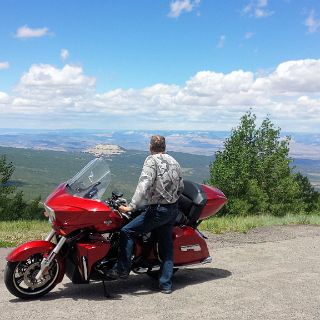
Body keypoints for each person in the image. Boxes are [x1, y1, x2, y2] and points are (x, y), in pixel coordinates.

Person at [106, 135, 184, 294]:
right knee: (166, 247)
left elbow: (144, 184)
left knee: (127, 231)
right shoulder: (174, 161)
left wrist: (132, 206)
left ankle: (122, 269)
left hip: (158, 210)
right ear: (164, 146)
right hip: (172, 209)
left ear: (151, 147)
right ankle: (166, 284)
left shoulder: (151, 160)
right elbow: (181, 186)